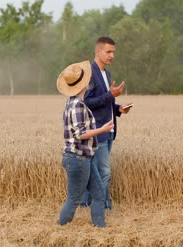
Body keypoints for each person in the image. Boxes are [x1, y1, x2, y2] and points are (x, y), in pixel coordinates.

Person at [57, 61, 114, 228]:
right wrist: (102, 129)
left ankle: (100, 228)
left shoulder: (74, 102)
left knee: (98, 194)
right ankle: (60, 229)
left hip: (84, 157)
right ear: (84, 84)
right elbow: (81, 134)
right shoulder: (77, 106)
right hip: (77, 158)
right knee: (74, 199)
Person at [81, 37, 133, 210]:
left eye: (113, 52)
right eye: (108, 52)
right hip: (97, 131)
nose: (112, 56)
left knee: (94, 172)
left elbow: (104, 102)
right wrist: (111, 96)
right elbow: (87, 102)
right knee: (104, 172)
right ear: (98, 51)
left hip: (109, 130)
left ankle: (86, 205)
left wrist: (118, 109)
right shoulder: (89, 73)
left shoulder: (106, 73)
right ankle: (103, 207)